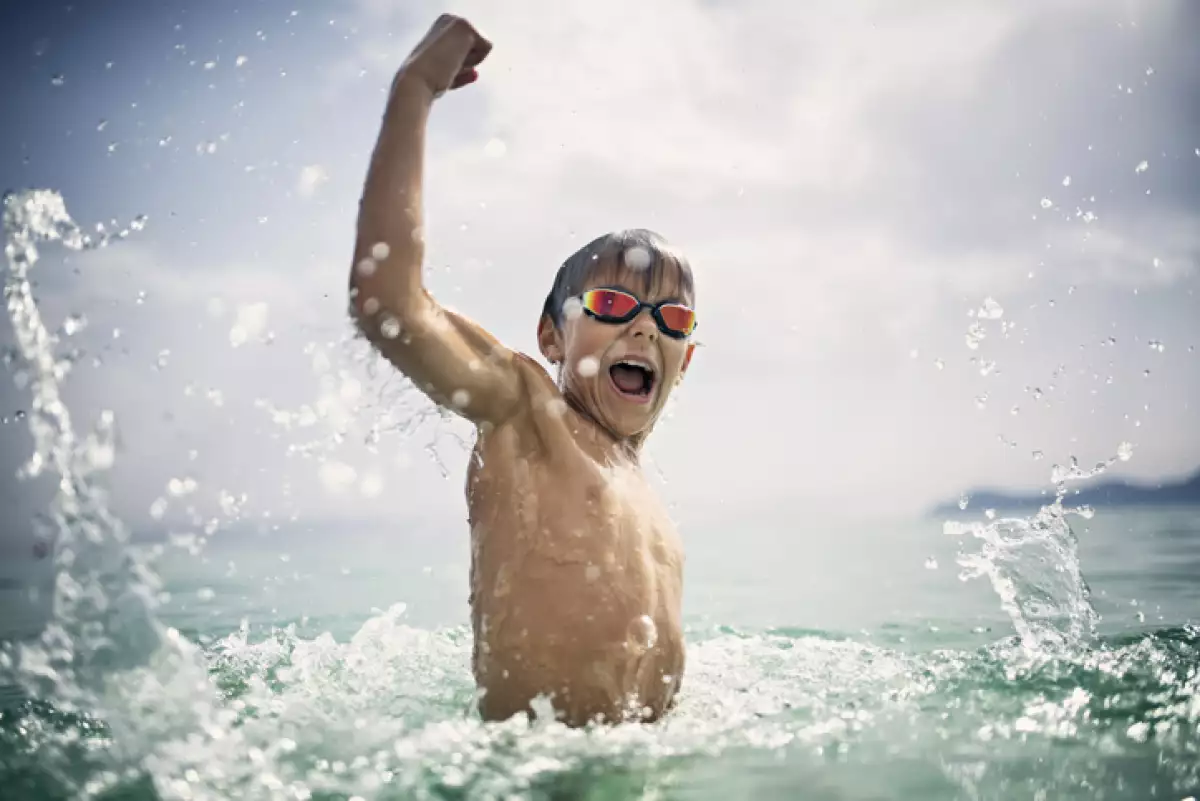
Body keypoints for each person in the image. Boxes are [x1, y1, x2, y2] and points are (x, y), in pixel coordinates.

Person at [349, 14, 698, 727]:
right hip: (534, 766)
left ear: (684, 359)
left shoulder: (645, 492)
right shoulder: (526, 414)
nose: (644, 326)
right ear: (551, 336)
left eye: (672, 318)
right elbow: (389, 302)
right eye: (612, 303)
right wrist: (415, 89)